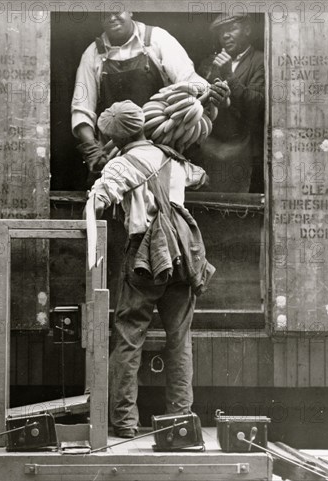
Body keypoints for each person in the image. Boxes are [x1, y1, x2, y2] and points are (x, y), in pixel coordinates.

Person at [88, 100, 215, 438]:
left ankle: (125, 422)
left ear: (113, 137)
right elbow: (200, 176)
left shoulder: (122, 164)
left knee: (129, 337)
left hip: (144, 257)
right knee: (179, 339)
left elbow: (97, 201)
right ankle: (179, 420)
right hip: (181, 256)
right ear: (144, 125)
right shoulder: (172, 158)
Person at [72, 11, 229, 173]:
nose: (112, 18)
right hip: (116, 152)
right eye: (104, 13)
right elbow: (82, 109)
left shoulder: (157, 39)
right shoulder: (93, 54)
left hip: (163, 144)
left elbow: (187, 77)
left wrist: (209, 90)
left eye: (117, 10)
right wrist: (92, 149)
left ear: (130, 10)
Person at [191, 13, 265, 192]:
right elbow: (195, 103)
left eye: (232, 29)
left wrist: (229, 77)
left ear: (247, 30)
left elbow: (257, 104)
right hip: (210, 148)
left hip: (242, 149)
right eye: (221, 32)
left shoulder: (260, 60)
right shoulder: (208, 63)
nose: (225, 35)